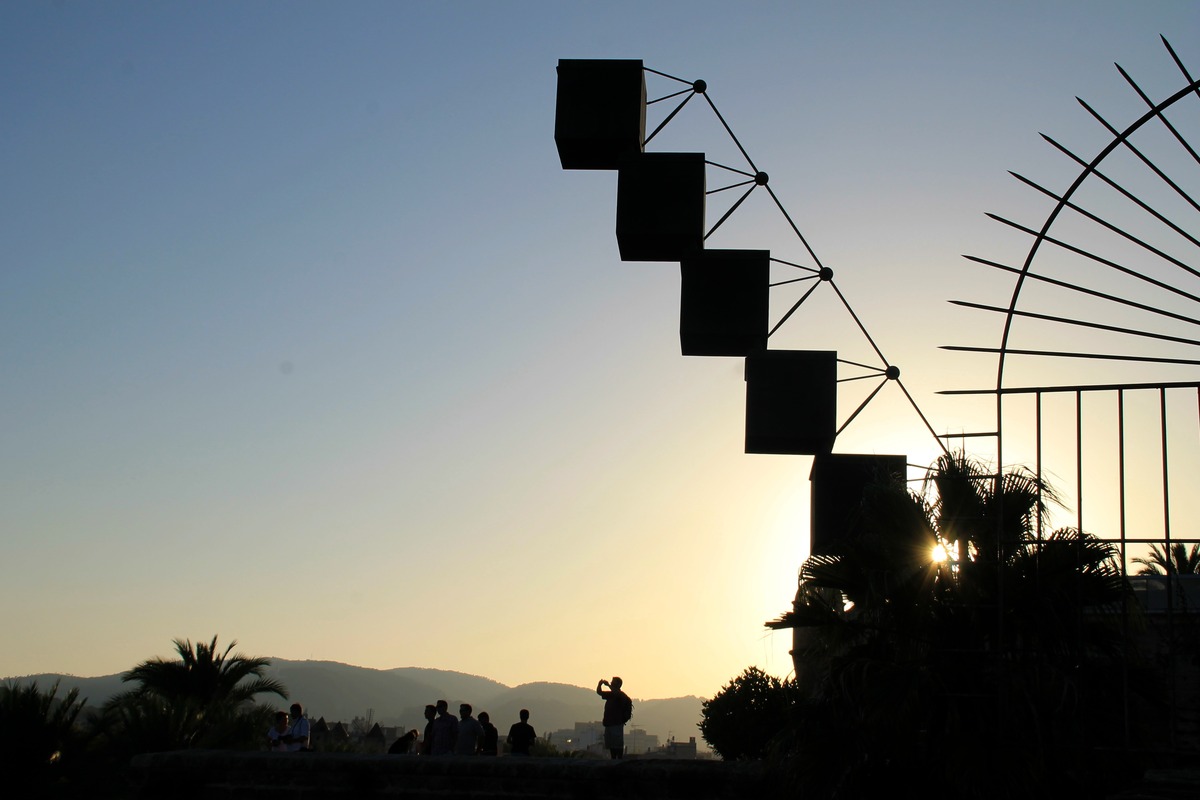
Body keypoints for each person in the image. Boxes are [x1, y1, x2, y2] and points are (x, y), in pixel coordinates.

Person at [596, 677, 632, 759]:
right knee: (611, 744)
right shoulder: (611, 694)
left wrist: (608, 685)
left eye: (613, 682)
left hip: (617, 723)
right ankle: (613, 759)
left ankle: (619, 759)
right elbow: (599, 692)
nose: (612, 684)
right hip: (609, 723)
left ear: (618, 685)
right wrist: (599, 684)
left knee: (617, 745)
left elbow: (616, 693)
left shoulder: (621, 695)